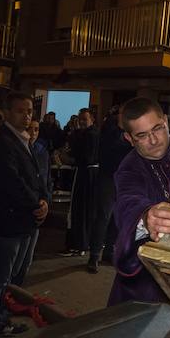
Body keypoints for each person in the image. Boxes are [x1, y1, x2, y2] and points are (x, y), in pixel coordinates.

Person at [109, 98, 170, 305]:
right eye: (142, 136)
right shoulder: (129, 168)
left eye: (157, 128)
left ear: (166, 120)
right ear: (129, 138)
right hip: (147, 281)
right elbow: (127, 203)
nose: (154, 140)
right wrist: (147, 217)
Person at [0, 93, 48, 338]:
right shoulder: (2, 142)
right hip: (9, 221)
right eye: (20, 111)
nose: (26, 115)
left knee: (15, 276)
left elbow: (37, 177)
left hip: (27, 220)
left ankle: (2, 319)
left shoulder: (25, 140)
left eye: (29, 110)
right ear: (6, 112)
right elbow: (11, 181)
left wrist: (44, 201)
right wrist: (35, 203)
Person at [87, 105, 132, 274]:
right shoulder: (109, 128)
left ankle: (109, 251)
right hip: (108, 177)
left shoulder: (131, 129)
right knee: (103, 216)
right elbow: (110, 147)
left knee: (117, 217)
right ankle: (94, 255)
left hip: (124, 180)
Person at [11, 119, 52, 286]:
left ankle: (17, 287)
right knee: (16, 257)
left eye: (37, 129)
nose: (34, 132)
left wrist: (46, 199)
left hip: (39, 203)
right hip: (24, 205)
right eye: (30, 129)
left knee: (27, 256)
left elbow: (46, 178)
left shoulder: (42, 151)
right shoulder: (19, 149)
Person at [63, 108, 99, 256]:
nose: (82, 122)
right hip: (91, 174)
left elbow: (82, 156)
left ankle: (78, 244)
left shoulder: (88, 134)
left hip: (84, 173)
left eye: (85, 119)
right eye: (80, 119)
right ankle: (85, 243)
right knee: (86, 210)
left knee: (79, 209)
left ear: (92, 120)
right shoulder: (93, 133)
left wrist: (69, 158)